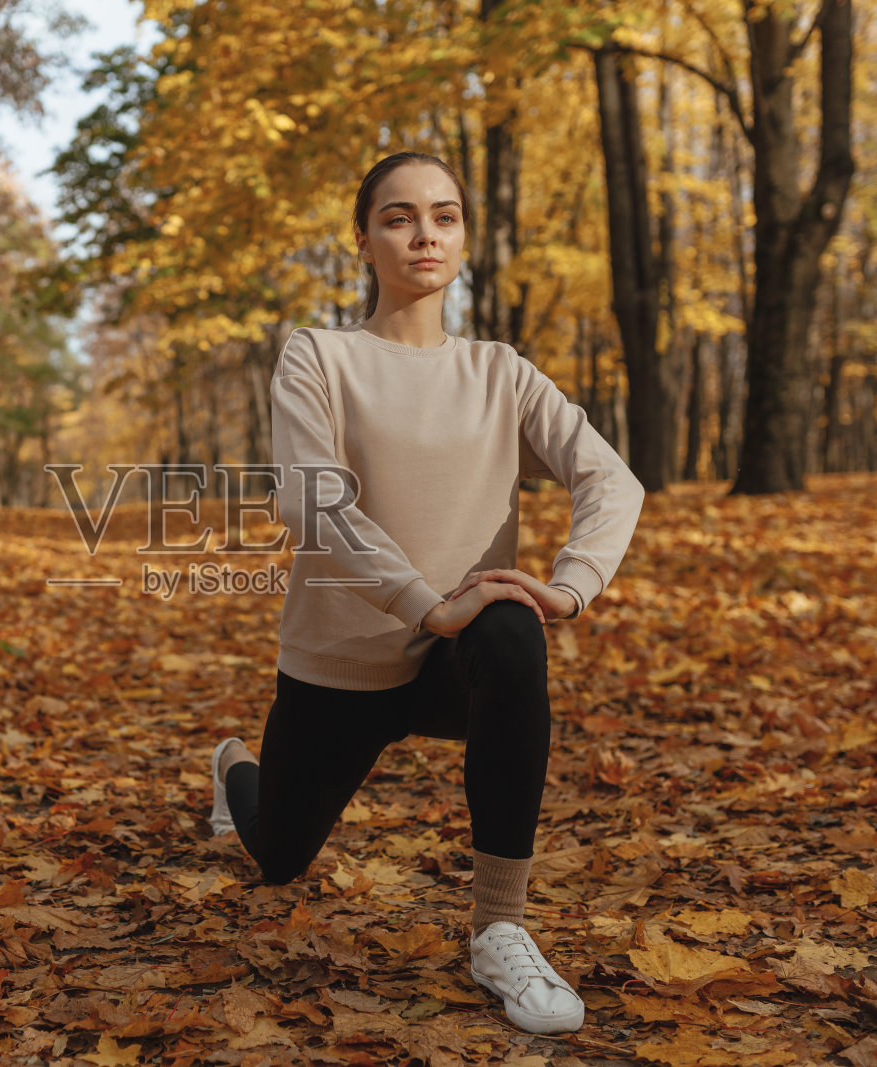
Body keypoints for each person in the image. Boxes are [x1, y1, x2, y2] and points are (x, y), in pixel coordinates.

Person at [207, 151, 645, 1035]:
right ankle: (234, 771)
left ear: (463, 239)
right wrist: (422, 600)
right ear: (363, 240)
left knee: (516, 631)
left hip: (461, 651)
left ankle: (500, 929)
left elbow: (611, 479)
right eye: (399, 217)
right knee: (279, 858)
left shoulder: (500, 371)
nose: (424, 234)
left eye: (444, 216)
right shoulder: (320, 356)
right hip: (343, 662)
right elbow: (308, 496)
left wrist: (568, 587)